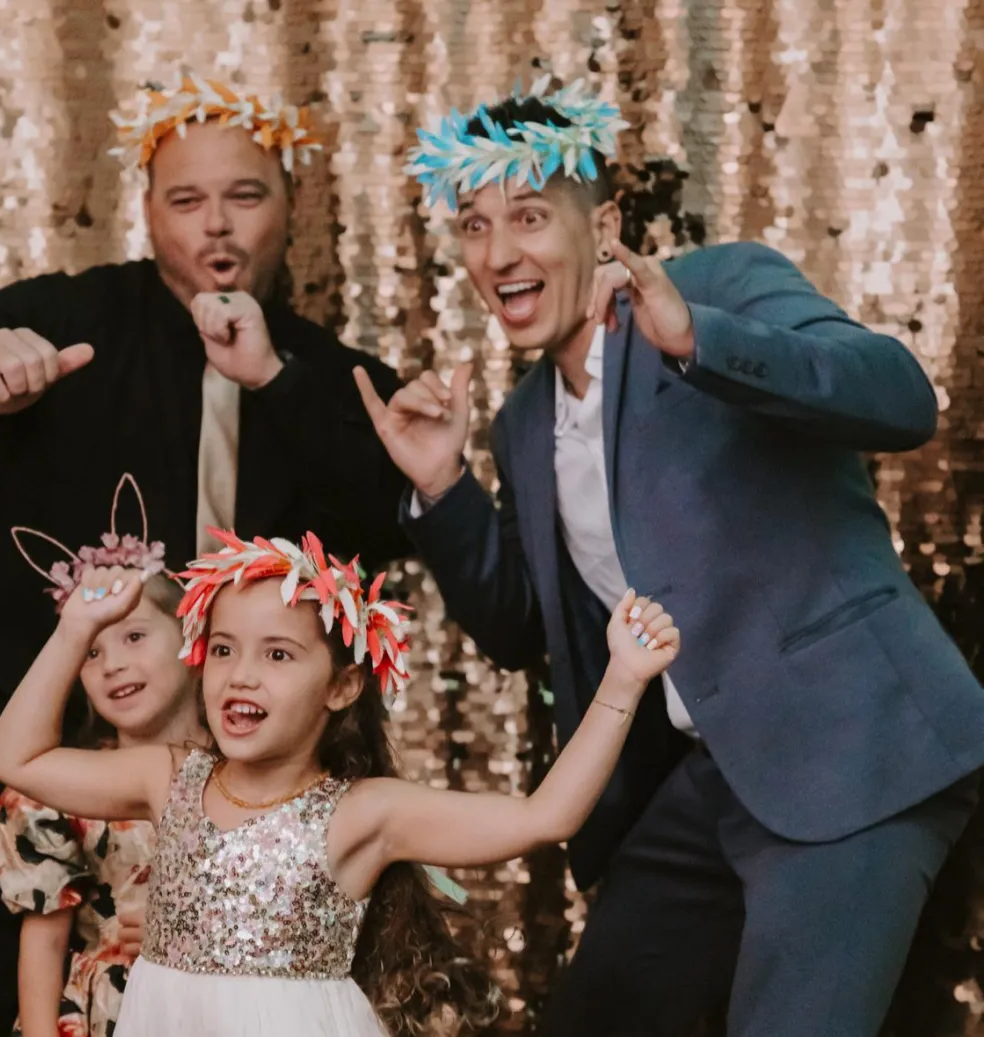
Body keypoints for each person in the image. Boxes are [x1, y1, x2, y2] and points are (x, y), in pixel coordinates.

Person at [354, 75, 984, 1037]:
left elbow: (899, 396)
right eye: (475, 225)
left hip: (853, 746)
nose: (500, 252)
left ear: (604, 224)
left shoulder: (719, 285)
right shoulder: (523, 423)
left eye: (530, 215)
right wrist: (443, 486)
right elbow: (524, 628)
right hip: (708, 779)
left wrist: (699, 341)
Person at [0, 74, 410, 1037]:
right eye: (186, 199)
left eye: (246, 194)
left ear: (291, 206)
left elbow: (389, 521)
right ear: (148, 212)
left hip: (233, 777)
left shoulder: (334, 378)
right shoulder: (73, 321)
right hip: (29, 735)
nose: (216, 223)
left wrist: (274, 383)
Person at [0, 527, 680, 1036]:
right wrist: (74, 630)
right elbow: (16, 758)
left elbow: (546, 816)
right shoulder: (170, 777)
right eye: (223, 649)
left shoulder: (361, 813)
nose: (241, 675)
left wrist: (623, 678)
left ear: (343, 686)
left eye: (278, 654)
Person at [0, 474, 208, 1037]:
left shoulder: (248, 776)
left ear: (192, 641)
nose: (112, 665)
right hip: (114, 1014)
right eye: (90, 652)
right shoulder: (61, 791)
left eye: (134, 637)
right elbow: (44, 942)